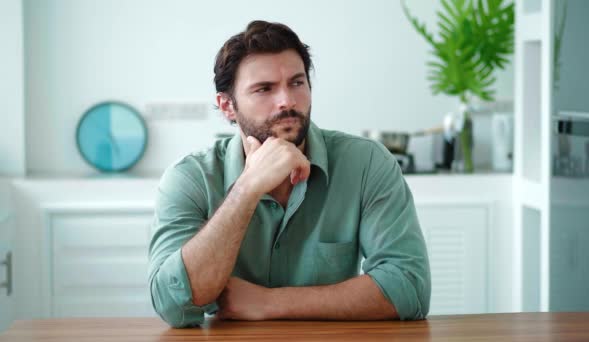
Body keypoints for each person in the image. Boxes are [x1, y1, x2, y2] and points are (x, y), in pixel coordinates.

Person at [148, 20, 431, 328]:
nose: (287, 101)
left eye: (297, 83)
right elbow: (173, 305)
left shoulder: (366, 163)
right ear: (228, 106)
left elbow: (409, 288)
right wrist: (247, 189)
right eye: (264, 89)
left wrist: (268, 303)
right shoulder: (189, 178)